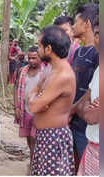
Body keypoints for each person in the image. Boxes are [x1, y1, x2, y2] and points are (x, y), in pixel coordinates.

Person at [29, 25, 76, 176]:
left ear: (48, 49)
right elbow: (34, 99)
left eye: (39, 46)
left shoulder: (62, 76)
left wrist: (36, 95)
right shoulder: (51, 71)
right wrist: (37, 94)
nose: (38, 49)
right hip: (46, 136)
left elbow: (34, 106)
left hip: (53, 138)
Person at [69, 3, 99, 167]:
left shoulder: (97, 53)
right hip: (73, 120)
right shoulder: (78, 52)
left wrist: (76, 109)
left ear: (87, 24)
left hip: (87, 126)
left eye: (76, 22)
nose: (73, 26)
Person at [14, 46, 43, 172]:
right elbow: (16, 89)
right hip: (25, 110)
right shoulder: (22, 71)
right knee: (28, 138)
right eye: (29, 58)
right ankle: (32, 163)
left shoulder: (45, 72)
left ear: (40, 57)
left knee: (35, 139)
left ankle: (34, 165)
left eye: (34, 58)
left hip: (39, 113)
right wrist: (16, 107)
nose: (31, 61)